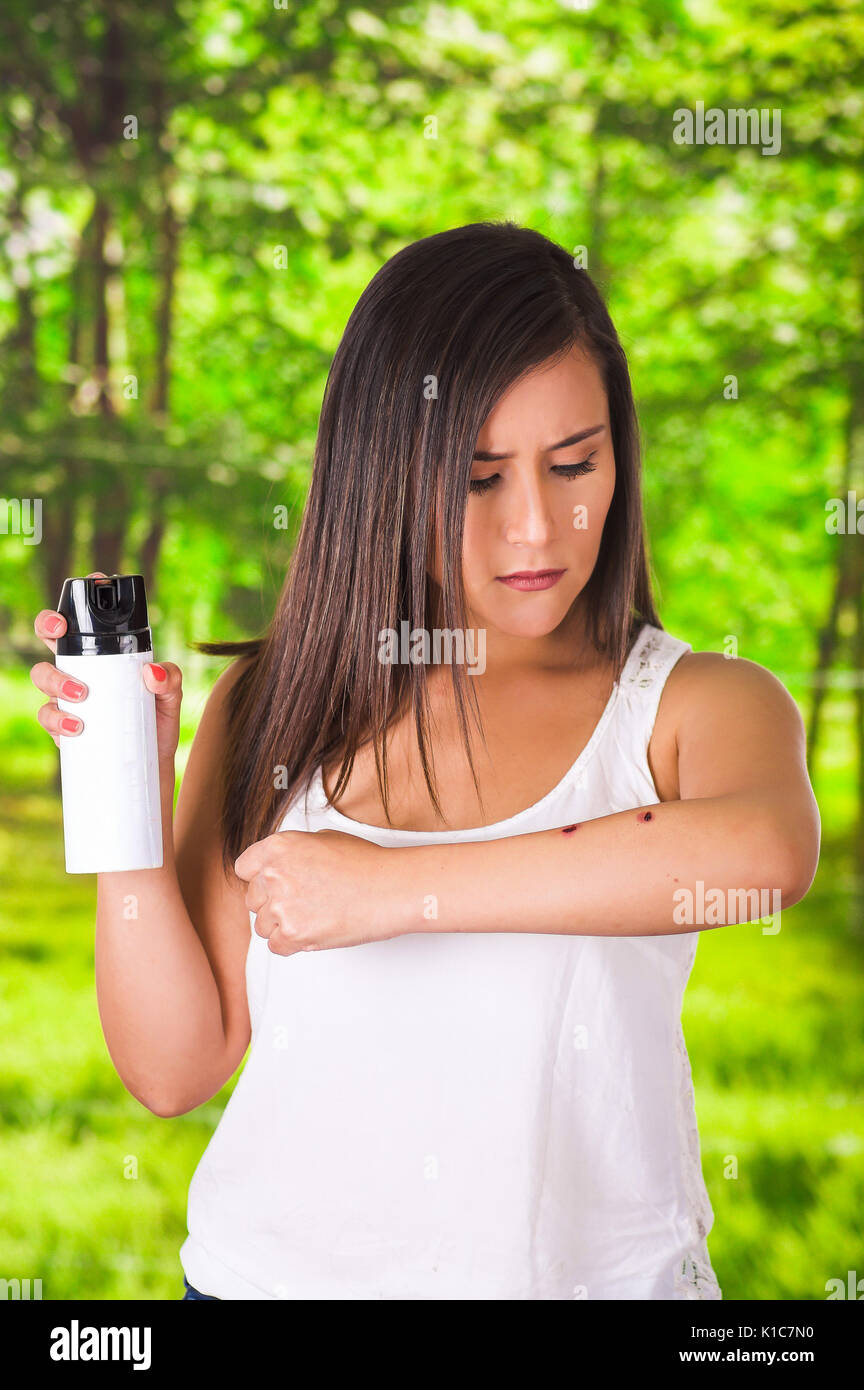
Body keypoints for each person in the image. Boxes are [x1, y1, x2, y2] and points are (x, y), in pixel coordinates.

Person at [30, 222, 820, 1301]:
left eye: (574, 463)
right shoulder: (272, 708)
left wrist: (394, 889)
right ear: (383, 472)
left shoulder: (694, 706)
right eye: (481, 477)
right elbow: (174, 1066)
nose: (539, 527)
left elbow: (762, 852)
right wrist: (124, 788)